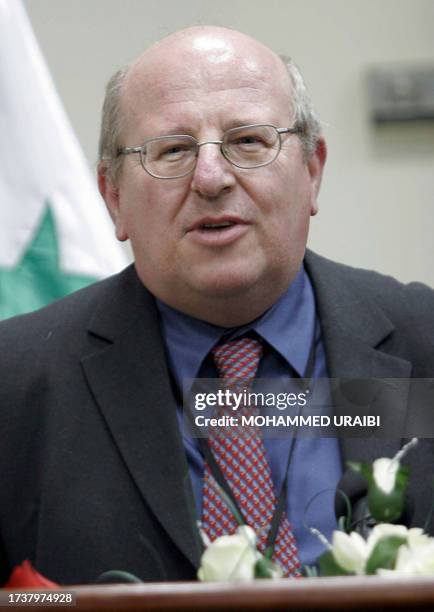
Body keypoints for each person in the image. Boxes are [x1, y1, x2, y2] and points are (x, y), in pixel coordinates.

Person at [0, 26, 433, 586]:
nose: (211, 178)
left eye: (249, 141)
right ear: (113, 196)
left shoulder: (424, 340)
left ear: (312, 171)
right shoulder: (16, 382)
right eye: (173, 150)